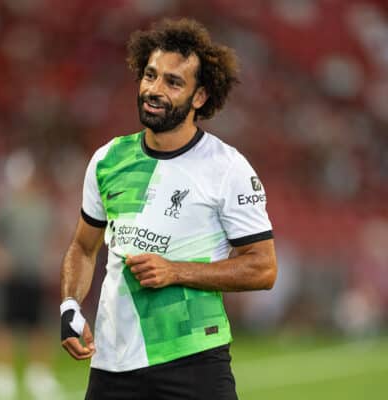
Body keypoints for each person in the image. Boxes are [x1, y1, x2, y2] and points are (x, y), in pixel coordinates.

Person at [60, 18, 277, 400]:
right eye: (150, 76)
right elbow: (83, 247)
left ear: (200, 97)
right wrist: (70, 307)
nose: (154, 90)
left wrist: (175, 270)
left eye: (173, 82)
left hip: (192, 361)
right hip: (112, 365)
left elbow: (263, 266)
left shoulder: (227, 168)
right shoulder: (108, 160)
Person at [0, 150, 62, 400]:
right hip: (10, 275)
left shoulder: (42, 205)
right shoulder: (4, 203)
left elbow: (57, 233)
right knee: (3, 324)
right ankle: (2, 378)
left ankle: (38, 376)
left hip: (35, 274)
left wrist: (52, 257)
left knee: (39, 326)